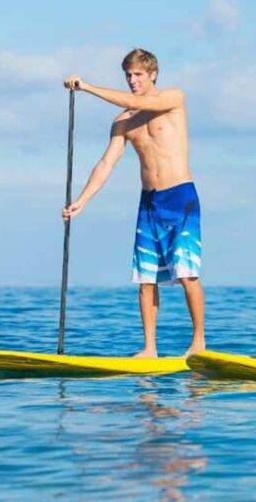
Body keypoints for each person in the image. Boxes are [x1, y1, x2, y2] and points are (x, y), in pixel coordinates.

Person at [62, 48, 205, 358]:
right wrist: (81, 201)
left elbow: (136, 102)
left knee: (186, 274)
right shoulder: (123, 122)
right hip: (150, 202)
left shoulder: (172, 99)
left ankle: (198, 343)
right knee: (146, 278)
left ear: (152, 74)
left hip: (180, 196)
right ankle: (150, 348)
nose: (132, 80)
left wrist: (86, 87)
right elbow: (105, 164)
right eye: (128, 75)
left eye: (138, 74)